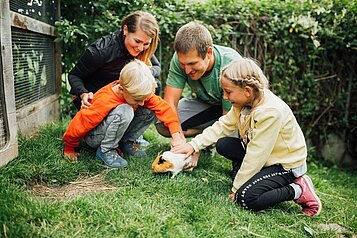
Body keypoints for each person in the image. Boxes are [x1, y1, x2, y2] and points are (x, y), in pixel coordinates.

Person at [171, 58, 322, 217]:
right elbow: (222, 125)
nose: (225, 97)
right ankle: (247, 178)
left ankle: (298, 189)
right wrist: (193, 145)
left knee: (245, 198)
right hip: (266, 157)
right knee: (224, 144)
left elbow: (256, 155)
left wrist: (236, 188)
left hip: (284, 165)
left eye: (228, 92)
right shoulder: (242, 103)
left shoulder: (270, 112)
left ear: (248, 90)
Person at [63, 60, 185, 168]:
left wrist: (176, 136)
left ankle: (126, 142)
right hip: (95, 137)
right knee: (125, 111)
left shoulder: (134, 91)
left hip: (114, 130)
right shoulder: (105, 99)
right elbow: (82, 121)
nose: (142, 103)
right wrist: (69, 147)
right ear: (121, 89)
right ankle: (106, 150)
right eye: (138, 100)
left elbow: (165, 109)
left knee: (151, 109)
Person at [68, 11, 160, 148]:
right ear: (125, 30)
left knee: (155, 87)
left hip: (121, 99)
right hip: (98, 105)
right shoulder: (100, 51)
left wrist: (143, 72)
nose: (140, 48)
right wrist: (83, 93)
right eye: (137, 41)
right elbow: (74, 75)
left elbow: (157, 68)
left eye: (146, 44)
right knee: (124, 110)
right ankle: (105, 144)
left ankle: (128, 139)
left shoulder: (143, 50)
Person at [155, 21, 242, 138]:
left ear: (209, 53)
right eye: (183, 64)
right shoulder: (180, 58)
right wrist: (178, 138)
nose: (186, 70)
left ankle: (209, 135)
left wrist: (197, 144)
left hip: (235, 110)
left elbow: (227, 119)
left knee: (226, 142)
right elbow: (170, 102)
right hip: (207, 106)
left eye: (192, 63)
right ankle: (204, 132)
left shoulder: (231, 63)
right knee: (162, 123)